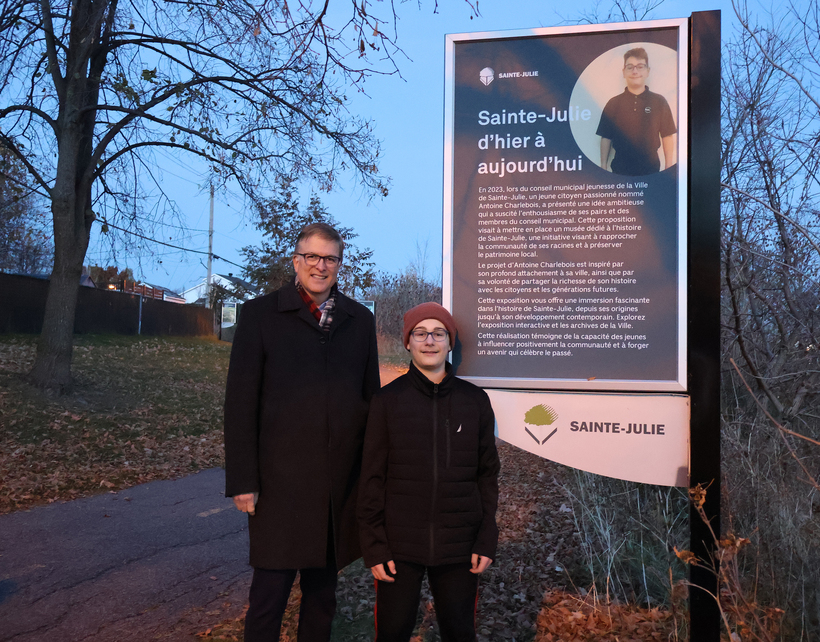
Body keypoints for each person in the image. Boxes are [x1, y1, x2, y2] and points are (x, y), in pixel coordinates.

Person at [223, 223, 380, 642]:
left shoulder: (359, 321)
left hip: (336, 487)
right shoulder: (260, 315)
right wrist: (242, 479)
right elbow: (240, 404)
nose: (320, 266)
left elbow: (372, 403)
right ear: (296, 261)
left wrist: (369, 479)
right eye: (312, 256)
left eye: (329, 258)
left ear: (339, 265)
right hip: (279, 485)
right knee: (269, 596)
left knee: (323, 597)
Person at [358, 302, 500, 642]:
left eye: (439, 333)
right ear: (408, 342)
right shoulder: (387, 401)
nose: (429, 341)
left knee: (460, 631)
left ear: (450, 342)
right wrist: (375, 545)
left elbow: (487, 474)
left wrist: (486, 537)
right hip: (399, 545)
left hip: (460, 543)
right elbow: (371, 477)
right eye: (420, 333)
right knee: (392, 632)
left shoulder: (474, 400)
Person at [597, 47, 677, 176]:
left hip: (651, 172)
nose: (635, 71)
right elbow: (605, 137)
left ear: (647, 71)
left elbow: (667, 135)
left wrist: (669, 167)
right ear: (624, 72)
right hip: (620, 172)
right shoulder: (613, 103)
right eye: (630, 67)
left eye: (640, 66)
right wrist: (603, 166)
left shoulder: (659, 101)